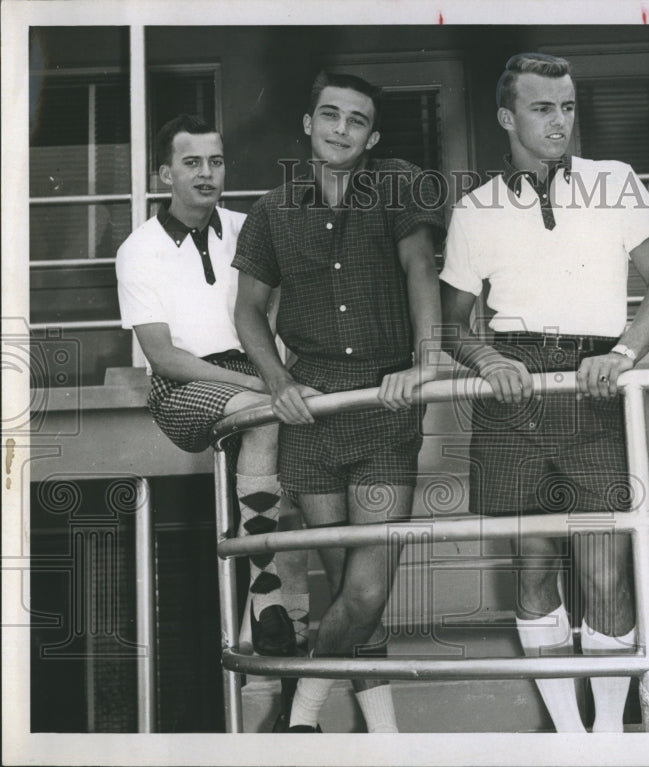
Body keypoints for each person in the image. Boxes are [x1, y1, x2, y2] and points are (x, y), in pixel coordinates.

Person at [440, 52, 649, 733]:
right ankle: (569, 735)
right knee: (534, 559)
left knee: (606, 566)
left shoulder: (617, 181)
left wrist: (627, 352)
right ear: (506, 116)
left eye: (568, 107)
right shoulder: (476, 207)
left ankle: (608, 733)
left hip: (595, 381)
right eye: (543, 107)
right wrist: (487, 356)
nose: (559, 121)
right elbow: (451, 325)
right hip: (514, 386)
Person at [233, 70, 444, 733]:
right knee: (354, 598)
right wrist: (279, 382)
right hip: (314, 418)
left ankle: (303, 712)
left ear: (372, 135)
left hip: (384, 409)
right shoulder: (272, 211)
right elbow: (246, 314)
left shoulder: (399, 186)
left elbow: (420, 268)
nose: (341, 129)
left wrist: (426, 356)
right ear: (308, 123)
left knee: (365, 589)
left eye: (356, 120)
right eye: (330, 115)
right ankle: (385, 736)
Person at [116, 114, 309, 660]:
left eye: (216, 161)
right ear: (163, 175)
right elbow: (163, 357)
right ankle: (265, 586)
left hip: (258, 373)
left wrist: (275, 373)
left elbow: (278, 312)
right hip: (183, 387)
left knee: (299, 490)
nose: (207, 173)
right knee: (267, 412)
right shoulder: (139, 249)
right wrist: (257, 382)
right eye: (191, 162)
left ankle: (276, 635)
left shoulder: (252, 227)